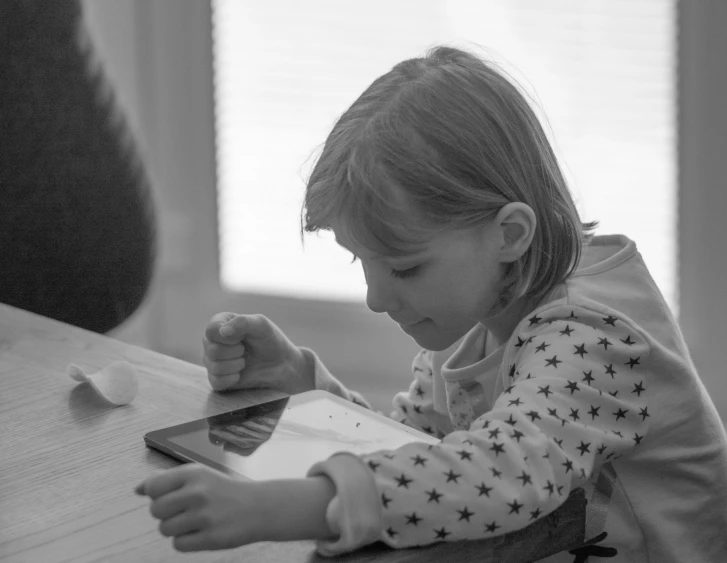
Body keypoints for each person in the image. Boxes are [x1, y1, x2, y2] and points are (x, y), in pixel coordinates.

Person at [135, 46, 727, 562]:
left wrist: (288, 506)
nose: (374, 297)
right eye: (360, 262)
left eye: (404, 267)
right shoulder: (479, 311)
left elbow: (504, 474)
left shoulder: (595, 337)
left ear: (510, 234)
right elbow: (422, 457)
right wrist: (304, 385)